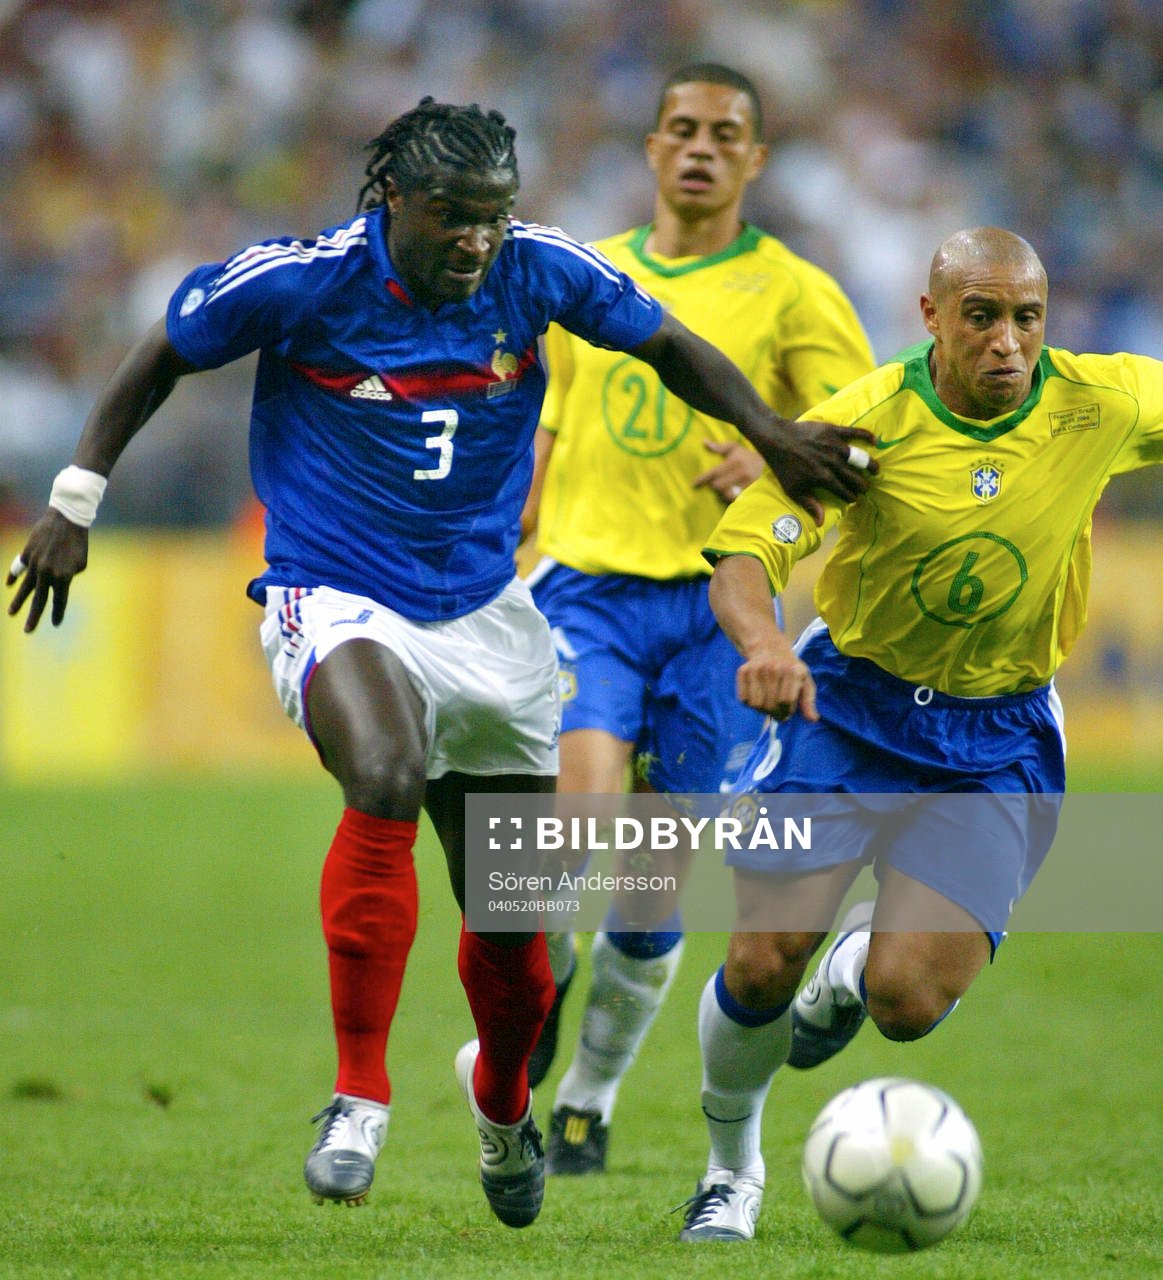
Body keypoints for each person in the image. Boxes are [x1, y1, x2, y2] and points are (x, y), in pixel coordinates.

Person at [5, 98, 878, 1230]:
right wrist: (77, 497)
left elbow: (664, 341)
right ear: (395, 204)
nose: (477, 240)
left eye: (493, 218)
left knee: (513, 918)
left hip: (485, 614)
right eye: (454, 219)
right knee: (385, 766)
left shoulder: (536, 271)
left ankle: (504, 1102)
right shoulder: (305, 280)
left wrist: (770, 434)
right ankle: (355, 1093)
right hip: (336, 589)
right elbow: (163, 350)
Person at [677, 225, 1163, 1242]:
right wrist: (764, 640)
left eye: (1024, 318)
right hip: (847, 711)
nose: (1005, 343)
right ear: (930, 316)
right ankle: (731, 1169)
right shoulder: (862, 423)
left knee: (905, 999)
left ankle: (855, 968)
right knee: (761, 959)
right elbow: (745, 552)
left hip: (998, 737)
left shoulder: (1099, 401)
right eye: (980, 317)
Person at [518, 63, 875, 1177]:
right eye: (681, 128)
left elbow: (860, 446)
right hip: (581, 585)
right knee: (571, 822)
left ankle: (588, 1091)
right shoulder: (590, 276)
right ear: (649, 146)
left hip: (713, 610)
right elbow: (539, 418)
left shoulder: (794, 292)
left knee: (650, 882)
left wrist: (772, 450)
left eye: (725, 133)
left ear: (754, 160)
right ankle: (537, 967)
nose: (700, 147)